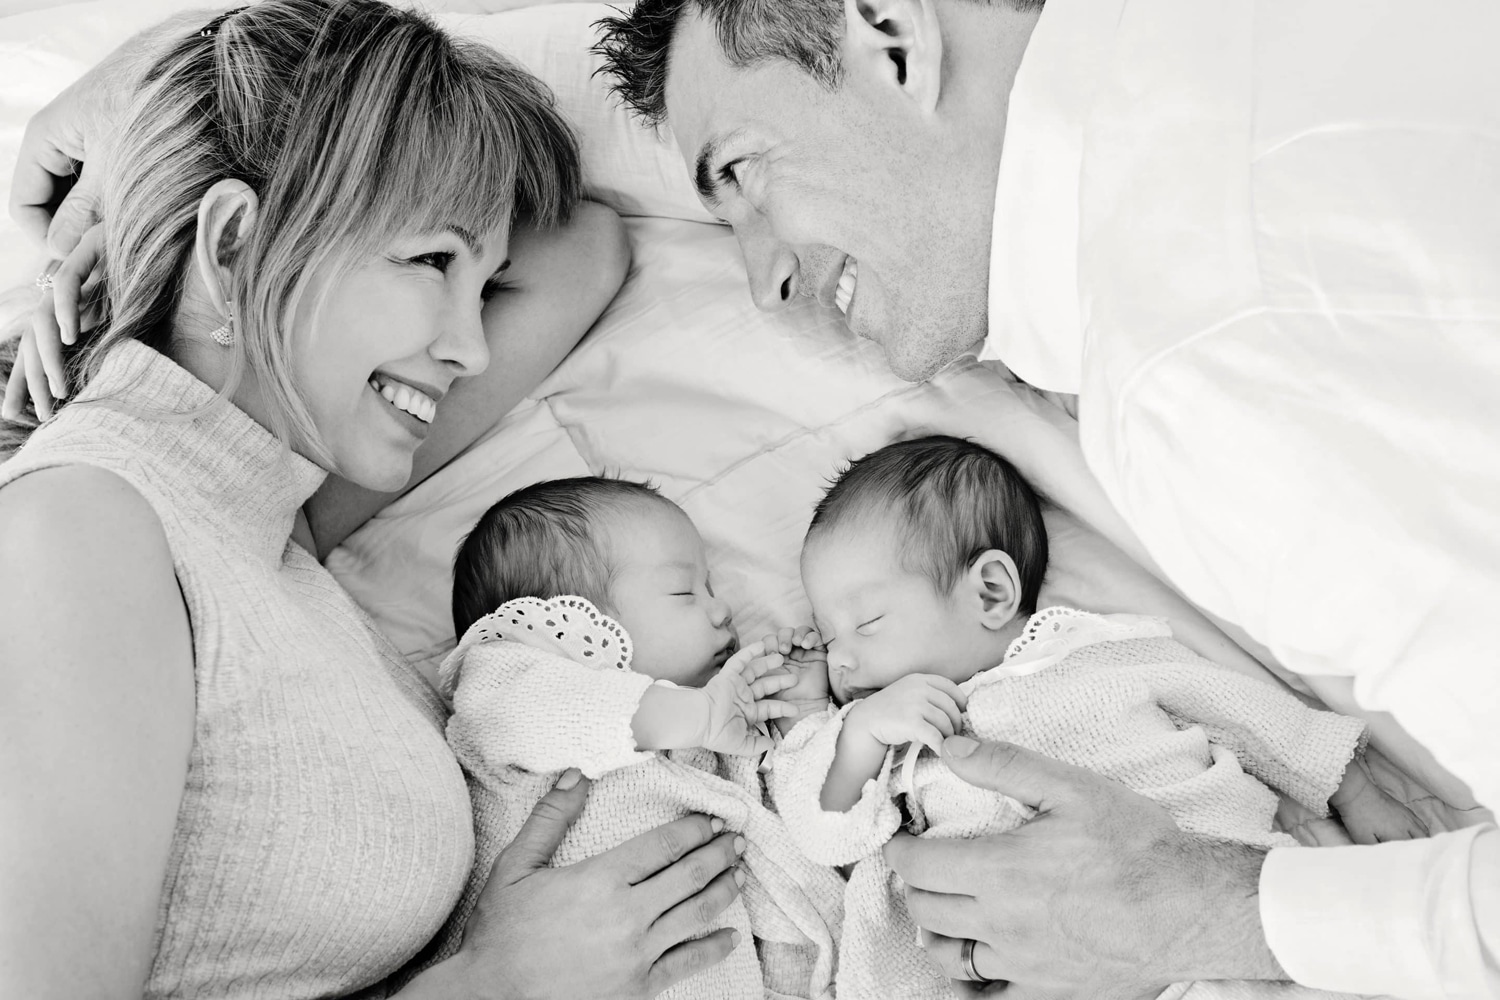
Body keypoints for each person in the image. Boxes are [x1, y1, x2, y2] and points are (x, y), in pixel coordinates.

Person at [591, 2, 1500, 997]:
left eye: (744, 174)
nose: (761, 280)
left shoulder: (1193, 361)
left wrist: (1206, 915)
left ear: (893, 37)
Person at [0, 3, 755, 997]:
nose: (471, 345)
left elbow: (581, 247)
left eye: (479, 280)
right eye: (432, 262)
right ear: (233, 247)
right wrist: (493, 982)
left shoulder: (264, 515)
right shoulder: (87, 531)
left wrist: (155, 96)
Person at [768, 435, 1420, 999]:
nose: (844, 661)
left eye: (867, 622)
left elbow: (1248, 716)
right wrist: (853, 737)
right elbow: (824, 831)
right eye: (829, 640)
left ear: (991, 591)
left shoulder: (1101, 655)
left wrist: (1355, 791)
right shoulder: (887, 743)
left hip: (1218, 929)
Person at [434, 476, 845, 998]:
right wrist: (694, 713)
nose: (722, 610)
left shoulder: (705, 738)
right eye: (685, 591)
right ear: (570, 624)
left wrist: (799, 716)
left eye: (713, 589)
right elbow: (508, 710)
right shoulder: (512, 683)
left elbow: (782, 854)